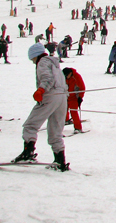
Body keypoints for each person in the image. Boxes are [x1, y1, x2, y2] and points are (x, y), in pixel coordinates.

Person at [13, 43, 69, 171]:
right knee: (56, 131)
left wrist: (41, 90)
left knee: (31, 125)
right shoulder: (55, 64)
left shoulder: (42, 62)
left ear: (36, 56)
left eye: (32, 59)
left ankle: (28, 153)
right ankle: (60, 160)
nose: (33, 62)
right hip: (62, 97)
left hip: (51, 95)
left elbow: (47, 78)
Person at [61, 67, 86, 133]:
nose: (66, 77)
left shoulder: (76, 76)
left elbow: (82, 87)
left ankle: (78, 128)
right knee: (63, 110)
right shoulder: (63, 77)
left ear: (70, 73)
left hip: (74, 97)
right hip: (65, 96)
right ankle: (66, 120)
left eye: (67, 76)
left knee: (73, 112)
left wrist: (80, 97)